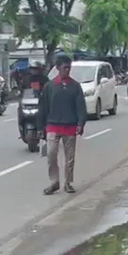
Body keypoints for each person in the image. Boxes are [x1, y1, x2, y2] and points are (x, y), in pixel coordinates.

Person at [38, 56, 87, 195]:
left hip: (70, 126)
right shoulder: (50, 86)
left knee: (69, 157)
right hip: (53, 125)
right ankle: (54, 182)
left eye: (69, 68)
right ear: (58, 68)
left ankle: (68, 182)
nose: (67, 70)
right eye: (65, 67)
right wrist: (41, 126)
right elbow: (43, 107)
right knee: (51, 154)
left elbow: (80, 106)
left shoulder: (75, 86)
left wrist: (81, 123)